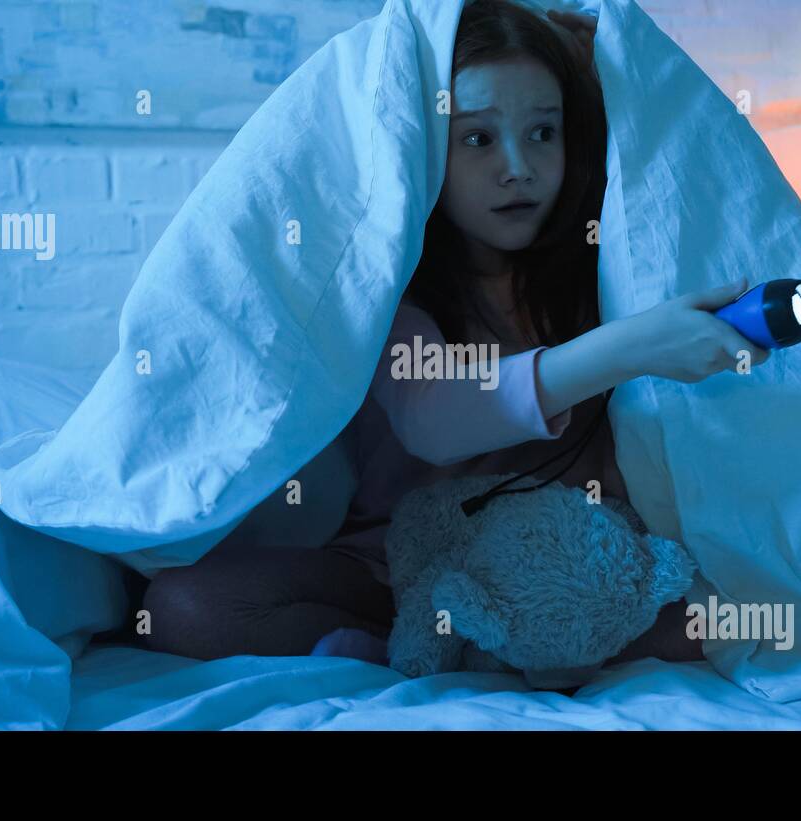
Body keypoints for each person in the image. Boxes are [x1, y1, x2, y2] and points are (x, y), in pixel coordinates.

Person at [139, 0, 769, 668]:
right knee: (178, 608)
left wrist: (615, 70)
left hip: (556, 559)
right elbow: (433, 415)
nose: (518, 167)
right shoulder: (386, 290)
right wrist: (637, 345)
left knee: (715, 618)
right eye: (478, 138)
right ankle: (426, 648)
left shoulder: (606, 271)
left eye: (542, 132)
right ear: (426, 145)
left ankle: (494, 646)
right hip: (395, 564)